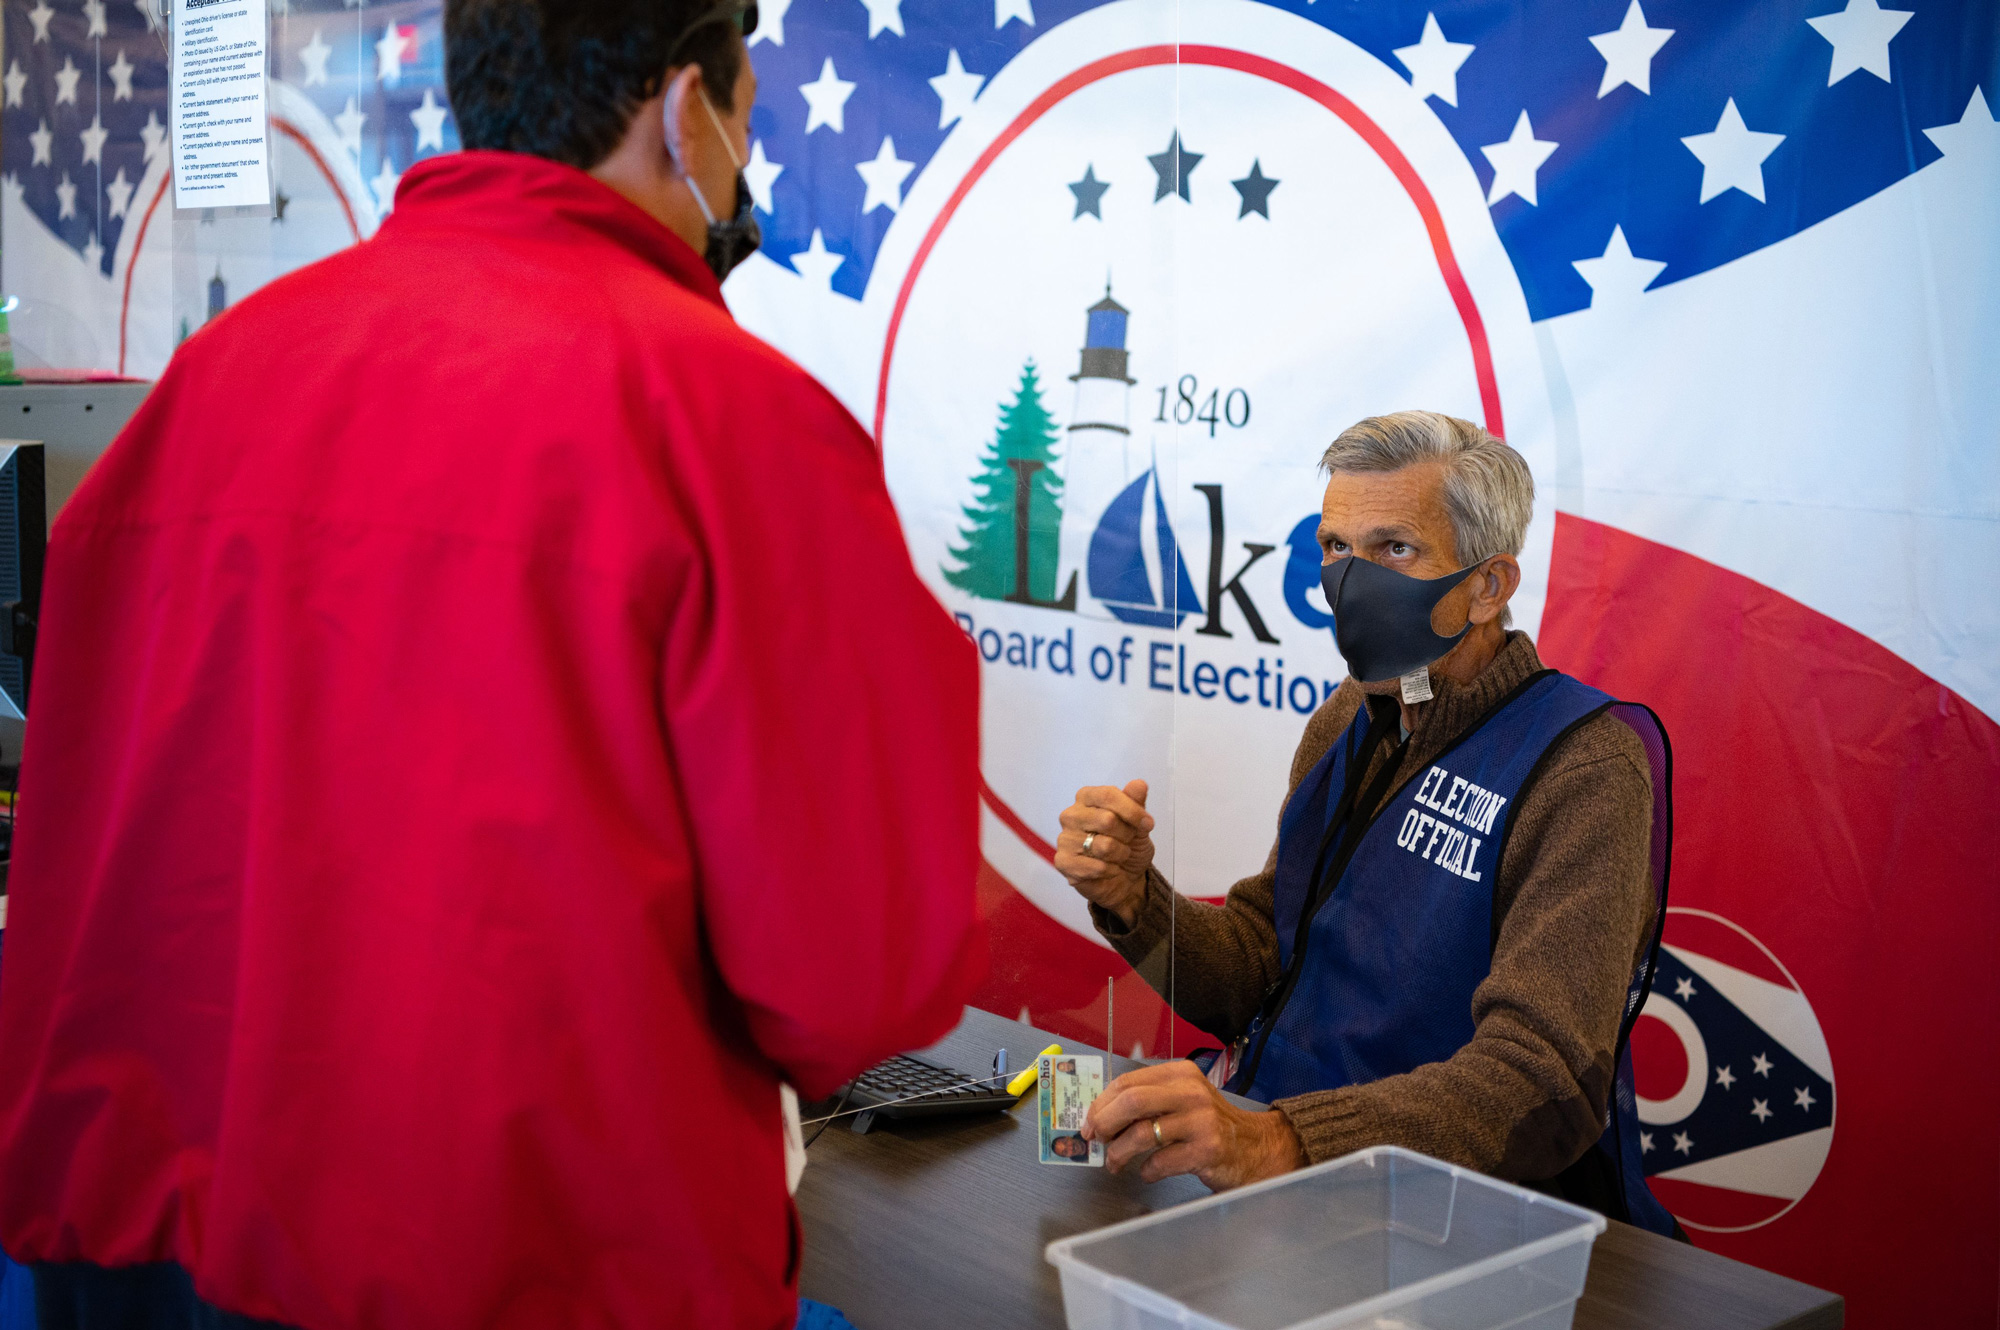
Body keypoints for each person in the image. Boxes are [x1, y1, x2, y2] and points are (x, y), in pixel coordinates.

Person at [0, 2, 986, 1327]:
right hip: (535, 1258)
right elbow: (855, 979)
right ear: (687, 108)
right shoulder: (735, 427)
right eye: (746, 109)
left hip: (168, 1243)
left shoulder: (212, 379)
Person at [1057, 411, 1678, 1237]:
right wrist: (1136, 899)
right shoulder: (1352, 717)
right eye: (1334, 549)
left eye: (1394, 550)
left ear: (1490, 586)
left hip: (1453, 1228)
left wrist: (1279, 1139)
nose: (1352, 580)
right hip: (1287, 1184)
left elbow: (1542, 1082)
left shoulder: (1583, 767)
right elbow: (1260, 972)